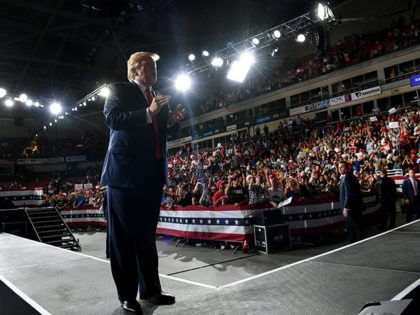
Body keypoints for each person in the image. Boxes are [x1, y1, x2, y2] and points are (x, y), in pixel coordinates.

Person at [100, 51, 185, 314]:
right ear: (135, 71)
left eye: (155, 66)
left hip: (151, 176)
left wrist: (170, 121)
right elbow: (113, 120)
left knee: (147, 237)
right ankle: (127, 296)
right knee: (124, 239)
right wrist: (149, 112)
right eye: (149, 65)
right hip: (124, 176)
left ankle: (151, 290)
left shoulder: (158, 98)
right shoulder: (118, 90)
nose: (155, 69)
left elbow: (158, 135)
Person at [338, 160, 364, 243]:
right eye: (339, 168)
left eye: (341, 167)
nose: (339, 169)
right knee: (351, 227)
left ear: (347, 167)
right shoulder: (346, 177)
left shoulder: (348, 177)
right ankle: (354, 242)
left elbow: (350, 194)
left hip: (351, 208)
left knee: (355, 227)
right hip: (351, 207)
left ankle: (359, 243)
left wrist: (346, 207)